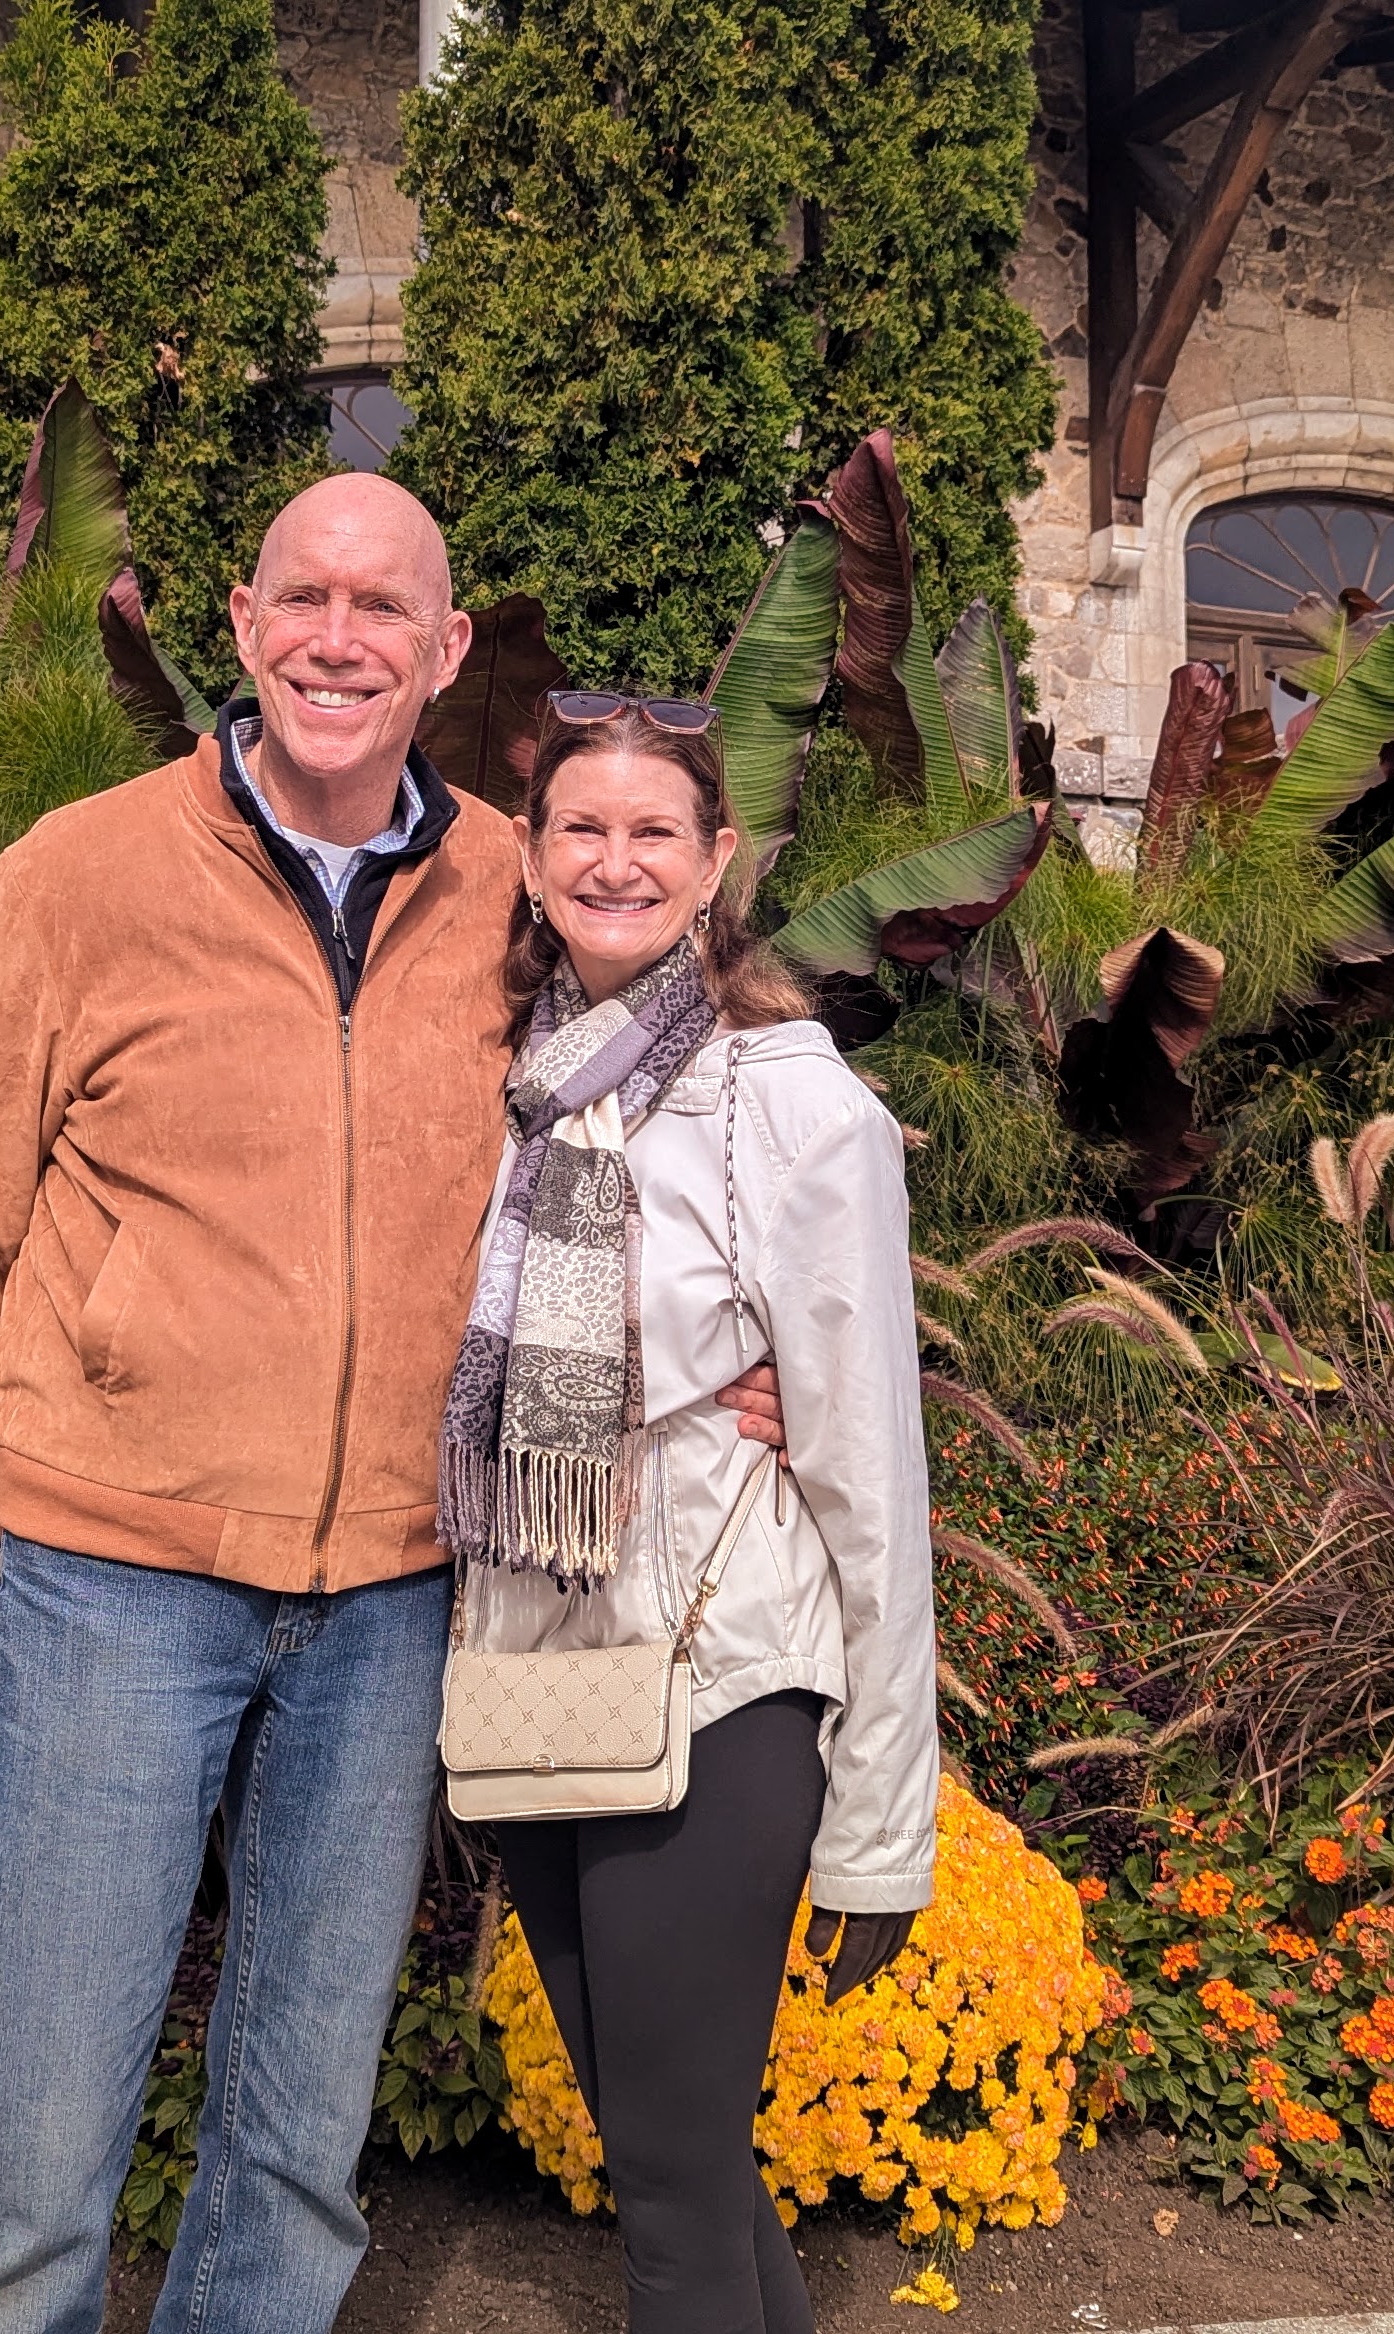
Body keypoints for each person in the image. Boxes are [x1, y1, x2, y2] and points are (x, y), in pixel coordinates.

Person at [0, 476, 781, 2334]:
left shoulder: (517, 887)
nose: (338, 639)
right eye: (306, 596)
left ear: (444, 653)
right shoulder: (81, 872)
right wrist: (54, 1469)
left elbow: (680, 1100)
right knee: (46, 2111)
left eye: (384, 609)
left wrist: (735, 1357)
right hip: (117, 1582)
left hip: (389, 1592)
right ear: (243, 621)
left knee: (299, 2128)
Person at [448, 695, 938, 2334]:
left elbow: (872, 1481)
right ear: (530, 861)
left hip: (720, 1681)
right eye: (581, 828)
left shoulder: (790, 1105)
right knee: (689, 2173)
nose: (617, 860)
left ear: (716, 858)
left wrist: (881, 1826)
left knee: (664, 2200)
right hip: (538, 1678)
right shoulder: (503, 1088)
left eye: (654, 830)